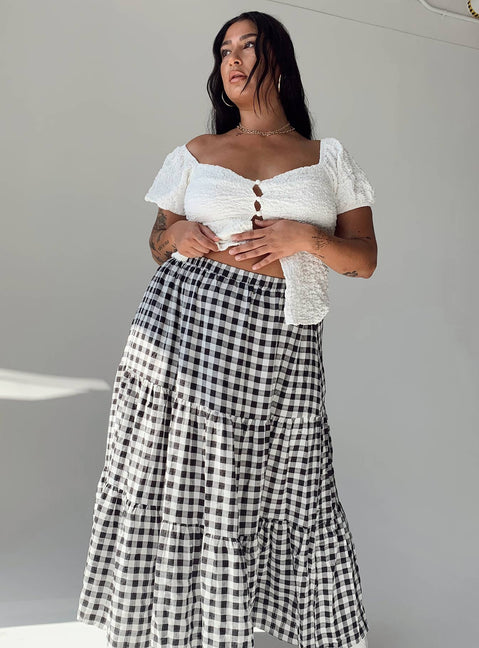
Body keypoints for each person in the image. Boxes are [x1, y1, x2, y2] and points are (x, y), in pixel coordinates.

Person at [76, 10, 377, 648]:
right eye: (223, 51)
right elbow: (158, 244)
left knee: (277, 480)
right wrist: (178, 232)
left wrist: (305, 238)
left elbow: (364, 261)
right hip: (183, 330)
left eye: (248, 45)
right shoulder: (196, 153)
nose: (233, 59)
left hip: (278, 341)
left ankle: (247, 622)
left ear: (280, 60)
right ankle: (172, 631)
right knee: (182, 477)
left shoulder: (326, 158)